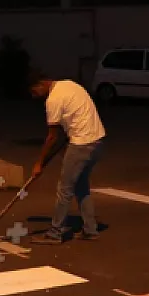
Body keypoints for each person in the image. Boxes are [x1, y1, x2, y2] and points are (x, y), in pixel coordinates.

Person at [28, 71, 106, 244]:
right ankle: (90, 229)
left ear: (40, 84)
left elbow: (52, 138)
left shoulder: (53, 100)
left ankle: (55, 233)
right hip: (97, 141)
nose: (34, 97)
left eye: (34, 92)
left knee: (64, 189)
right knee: (80, 186)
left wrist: (39, 163)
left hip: (82, 143)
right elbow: (71, 124)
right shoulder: (69, 84)